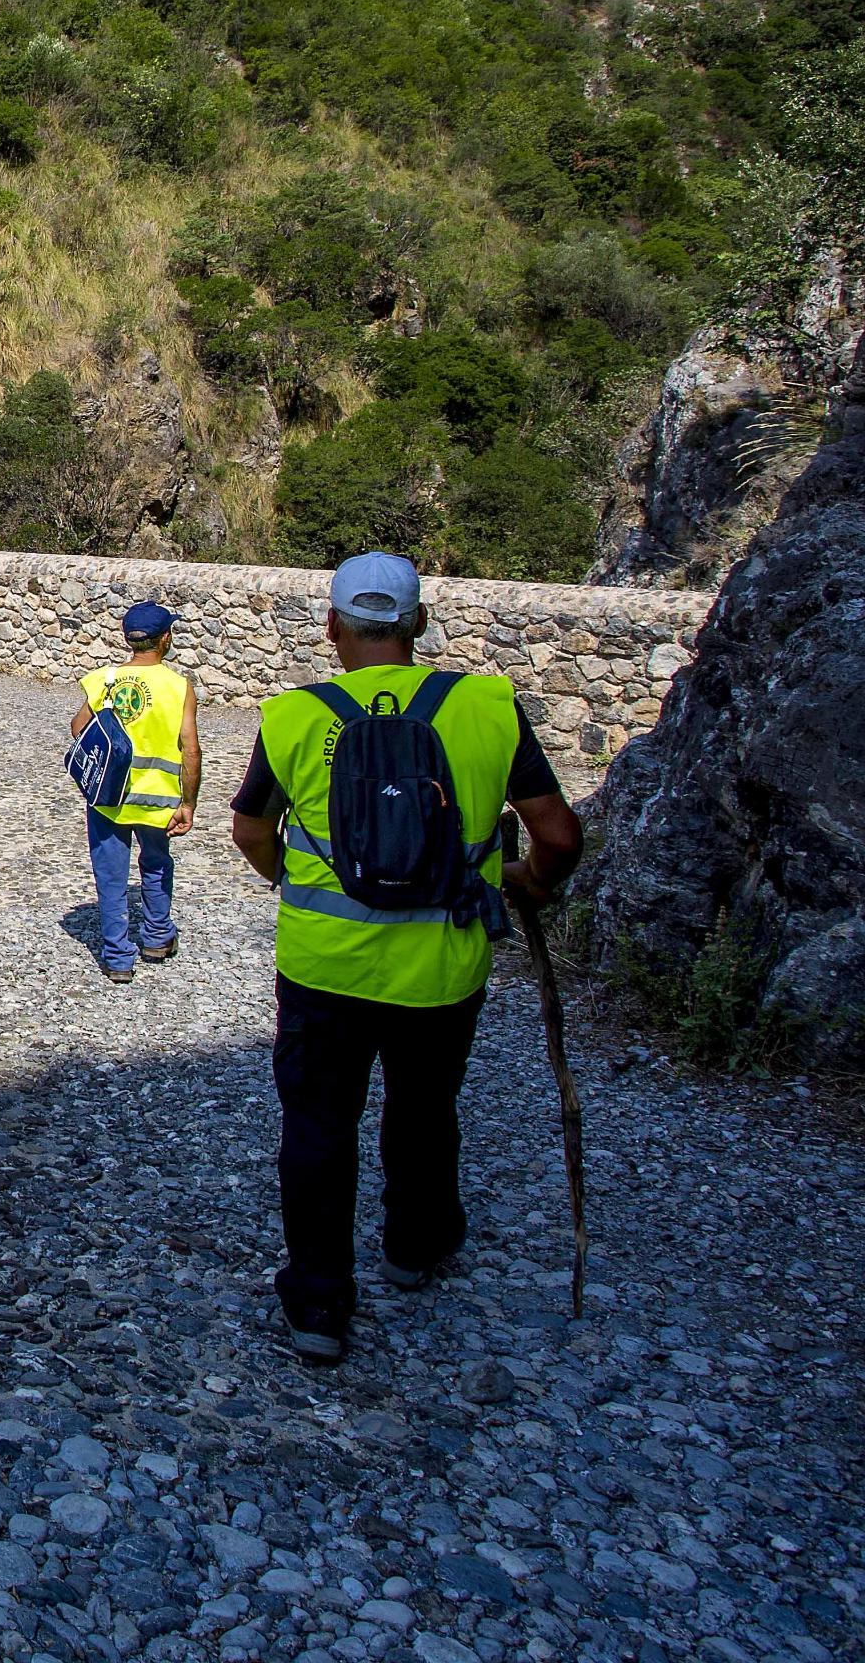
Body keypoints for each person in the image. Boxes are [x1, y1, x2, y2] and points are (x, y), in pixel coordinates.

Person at [227, 552, 583, 1367]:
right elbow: (559, 833)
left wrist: (293, 878)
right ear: (419, 623)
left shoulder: (292, 716)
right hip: (443, 970)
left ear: (331, 627)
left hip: (324, 970)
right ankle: (415, 1247)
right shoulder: (487, 705)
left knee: (318, 1126)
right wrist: (526, 880)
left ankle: (318, 1304)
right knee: (424, 1109)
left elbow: (250, 831)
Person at [66, 601, 199, 981]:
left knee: (110, 874)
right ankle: (157, 937)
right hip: (157, 798)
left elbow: (79, 728)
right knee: (156, 864)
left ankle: (118, 957)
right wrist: (187, 802)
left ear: (129, 639)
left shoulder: (104, 680)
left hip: (109, 797)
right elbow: (189, 747)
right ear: (166, 639)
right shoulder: (178, 687)